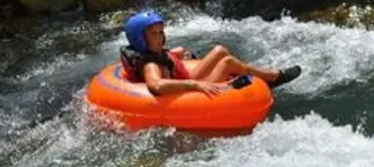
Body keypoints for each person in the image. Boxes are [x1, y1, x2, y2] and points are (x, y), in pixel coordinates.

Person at [120, 10, 302, 96]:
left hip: (184, 79)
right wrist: (194, 84)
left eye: (161, 32)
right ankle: (272, 77)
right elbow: (156, 85)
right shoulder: (150, 65)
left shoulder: (153, 54)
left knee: (219, 50)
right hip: (189, 91)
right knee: (227, 61)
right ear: (139, 39)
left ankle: (245, 74)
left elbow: (166, 58)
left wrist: (177, 53)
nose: (160, 37)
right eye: (154, 34)